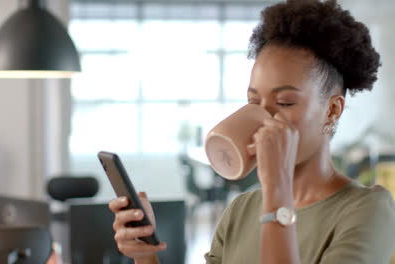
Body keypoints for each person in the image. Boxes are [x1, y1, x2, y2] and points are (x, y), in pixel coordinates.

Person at [108, 0, 395, 263]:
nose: (262, 117)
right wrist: (145, 256)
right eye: (254, 103)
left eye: (284, 102)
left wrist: (277, 189)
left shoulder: (368, 210)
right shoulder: (242, 209)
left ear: (332, 110)